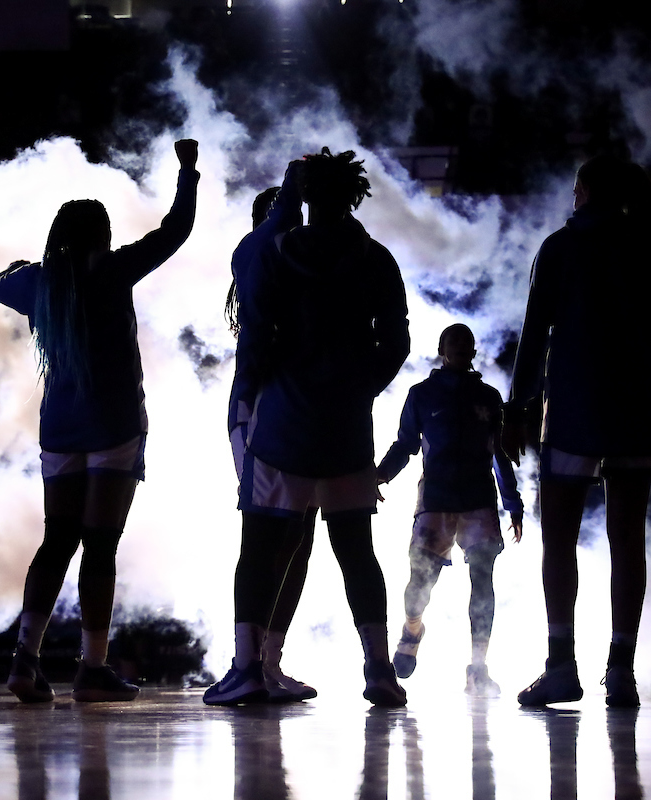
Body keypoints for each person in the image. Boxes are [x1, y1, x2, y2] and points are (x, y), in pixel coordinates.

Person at [0, 138, 199, 703]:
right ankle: (92, 667)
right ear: (101, 235)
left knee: (56, 540)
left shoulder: (39, 284)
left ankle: (23, 660)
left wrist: (24, 265)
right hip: (114, 427)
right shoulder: (114, 269)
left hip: (59, 429)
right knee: (100, 545)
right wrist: (186, 171)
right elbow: (174, 232)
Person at [204, 147, 410, 707]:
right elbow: (397, 345)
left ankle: (248, 667)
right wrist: (355, 389)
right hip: (346, 429)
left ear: (303, 196)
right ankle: (378, 670)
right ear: (353, 195)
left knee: (261, 547)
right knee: (357, 552)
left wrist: (250, 392)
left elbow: (255, 338)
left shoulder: (276, 252)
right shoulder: (377, 260)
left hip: (283, 424)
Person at [503, 155, 651, 708]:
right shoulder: (647, 244)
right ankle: (622, 668)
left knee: (558, 537)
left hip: (574, 407)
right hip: (637, 406)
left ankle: (561, 665)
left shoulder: (560, 247)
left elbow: (535, 333)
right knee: (627, 538)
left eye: (576, 188)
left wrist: (516, 412)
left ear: (584, 191)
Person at [375, 323, 523, 697]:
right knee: (419, 586)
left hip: (477, 499)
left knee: (483, 585)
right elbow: (406, 443)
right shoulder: (422, 395)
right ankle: (411, 632)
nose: (460, 346)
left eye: (466, 342)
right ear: (442, 348)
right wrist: (378, 476)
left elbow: (498, 453)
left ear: (473, 351)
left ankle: (477, 667)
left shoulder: (488, 398)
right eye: (453, 340)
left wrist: (512, 503)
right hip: (437, 498)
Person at [224, 168, 318, 702]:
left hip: (292, 408)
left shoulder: (297, 260)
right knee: (265, 536)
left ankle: (269, 660)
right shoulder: (259, 250)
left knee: (300, 540)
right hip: (259, 408)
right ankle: (248, 662)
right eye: (291, 212)